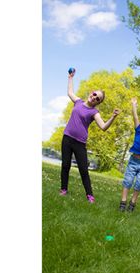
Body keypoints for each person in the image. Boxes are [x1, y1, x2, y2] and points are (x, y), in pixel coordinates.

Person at [59, 69, 120, 203]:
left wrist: (113, 117)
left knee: (83, 169)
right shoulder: (78, 102)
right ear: (90, 93)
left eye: (97, 99)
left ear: (98, 103)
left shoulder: (94, 112)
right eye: (94, 94)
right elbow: (70, 92)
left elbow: (103, 127)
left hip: (80, 143)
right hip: (67, 138)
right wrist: (70, 78)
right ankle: (63, 189)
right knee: (65, 165)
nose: (94, 98)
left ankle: (89, 195)